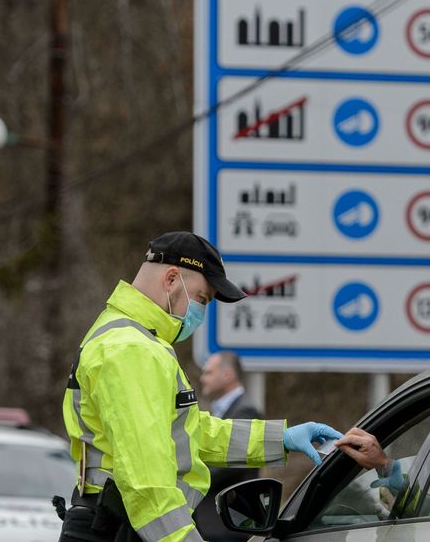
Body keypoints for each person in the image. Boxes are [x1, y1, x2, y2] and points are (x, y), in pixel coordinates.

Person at [58, 232, 342, 542]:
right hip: (120, 529)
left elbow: (191, 432)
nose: (201, 313)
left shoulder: (132, 339)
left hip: (119, 525)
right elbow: (147, 481)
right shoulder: (132, 349)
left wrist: (280, 439)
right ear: (171, 279)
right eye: (202, 298)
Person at [194, 352, 260, 541]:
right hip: (215, 522)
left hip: (227, 523)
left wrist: (191, 473)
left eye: (208, 373)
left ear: (227, 375)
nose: (202, 378)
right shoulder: (222, 410)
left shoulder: (245, 411)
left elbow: (231, 461)